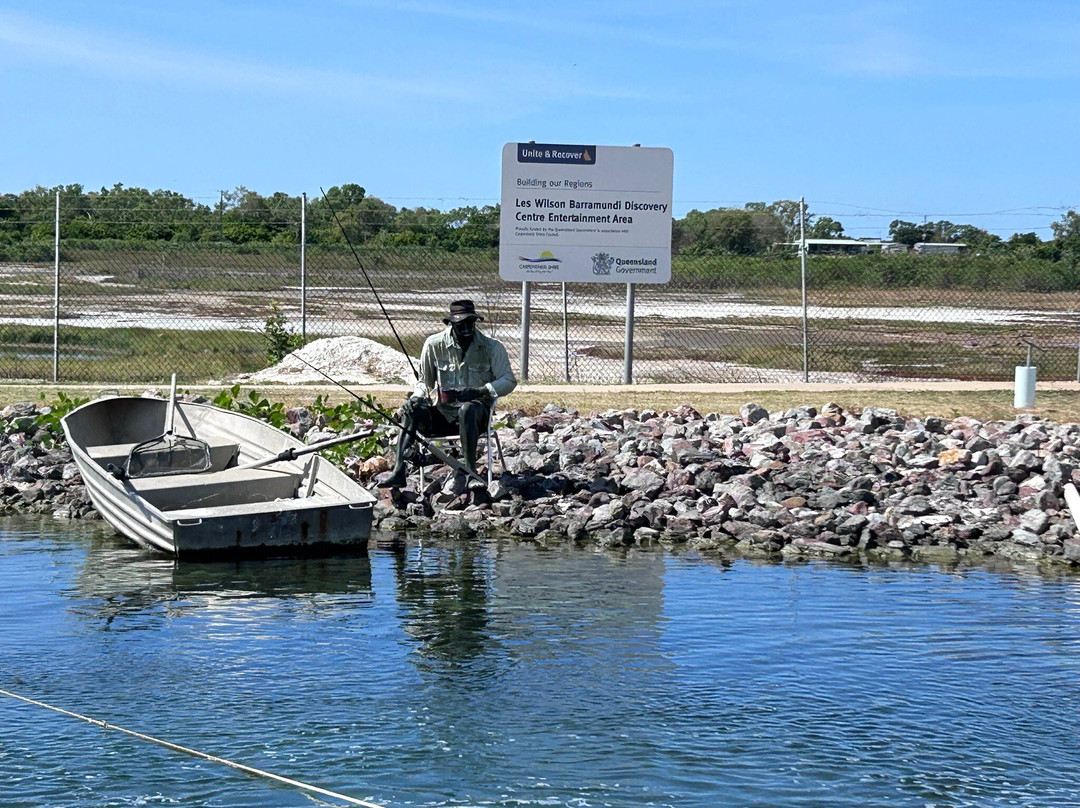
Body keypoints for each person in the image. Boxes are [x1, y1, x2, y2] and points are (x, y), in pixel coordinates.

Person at [379, 299, 517, 493]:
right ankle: (399, 470)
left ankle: (471, 472)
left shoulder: (492, 347)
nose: (466, 329)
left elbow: (509, 380)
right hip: (444, 414)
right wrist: (416, 398)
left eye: (470, 323)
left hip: (476, 416)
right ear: (451, 323)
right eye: (461, 324)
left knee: (468, 408)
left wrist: (481, 391)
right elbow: (424, 383)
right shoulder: (434, 344)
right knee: (411, 410)